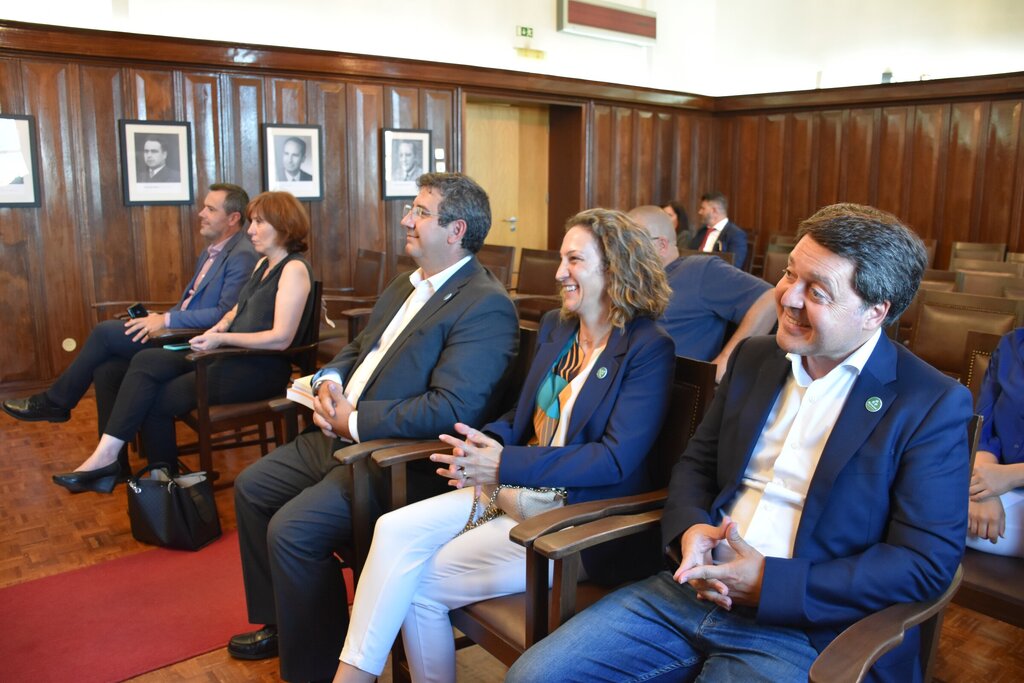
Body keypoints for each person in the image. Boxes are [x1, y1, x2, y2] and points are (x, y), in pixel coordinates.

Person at [507, 203, 973, 683]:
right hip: (689, 591)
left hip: (806, 628)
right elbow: (696, 465)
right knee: (533, 677)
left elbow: (924, 563)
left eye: (817, 292)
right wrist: (690, 530)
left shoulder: (929, 402)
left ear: (876, 312)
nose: (788, 298)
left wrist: (771, 583)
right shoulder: (755, 358)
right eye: (789, 274)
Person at [333, 208, 675, 683]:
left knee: (418, 587)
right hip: (513, 490)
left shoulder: (646, 346)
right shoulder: (559, 326)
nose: (559, 272)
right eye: (561, 259)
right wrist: (485, 444)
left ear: (614, 268)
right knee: (391, 529)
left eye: (574, 260)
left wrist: (502, 463)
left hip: (575, 517)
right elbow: (521, 416)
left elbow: (614, 460)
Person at [227, 172, 518, 683]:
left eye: (421, 212)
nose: (406, 219)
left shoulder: (485, 305)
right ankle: (281, 623)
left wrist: (354, 421)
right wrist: (330, 381)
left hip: (394, 458)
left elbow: (452, 407)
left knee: (292, 531)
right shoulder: (406, 283)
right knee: (252, 488)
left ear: (456, 231)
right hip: (341, 431)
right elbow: (360, 348)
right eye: (412, 209)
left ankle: (317, 667)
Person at [50, 191, 314, 492]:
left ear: (284, 226)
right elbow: (236, 309)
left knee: (157, 399)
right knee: (147, 360)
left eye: (259, 222)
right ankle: (112, 459)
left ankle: (159, 483)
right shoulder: (263, 264)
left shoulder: (294, 269)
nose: (250, 230)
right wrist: (219, 327)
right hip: (232, 356)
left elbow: (281, 338)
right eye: (251, 222)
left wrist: (220, 338)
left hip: (258, 370)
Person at [2, 184, 257, 443]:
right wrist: (159, 316)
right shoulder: (210, 251)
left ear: (233, 218)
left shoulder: (243, 255)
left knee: (104, 332)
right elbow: (193, 304)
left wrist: (165, 320)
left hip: (195, 344)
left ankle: (56, 401)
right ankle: (113, 461)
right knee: (106, 370)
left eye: (210, 209)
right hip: (176, 331)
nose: (201, 213)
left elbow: (224, 314)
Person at [630, 205, 775, 381]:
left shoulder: (700, 270)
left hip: (671, 386)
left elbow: (770, 299)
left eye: (632, 244)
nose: (624, 252)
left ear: (661, 245)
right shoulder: (634, 280)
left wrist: (726, 361)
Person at [967, 327, 1024, 557]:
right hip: (998, 483)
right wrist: (984, 492)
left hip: (1010, 481)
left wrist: (1011, 476)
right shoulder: (1012, 343)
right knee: (919, 505)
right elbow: (985, 425)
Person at [688, 191, 748, 269]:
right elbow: (689, 253)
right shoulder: (702, 231)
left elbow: (733, 266)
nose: (700, 212)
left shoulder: (736, 235)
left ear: (714, 210)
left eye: (703, 208)